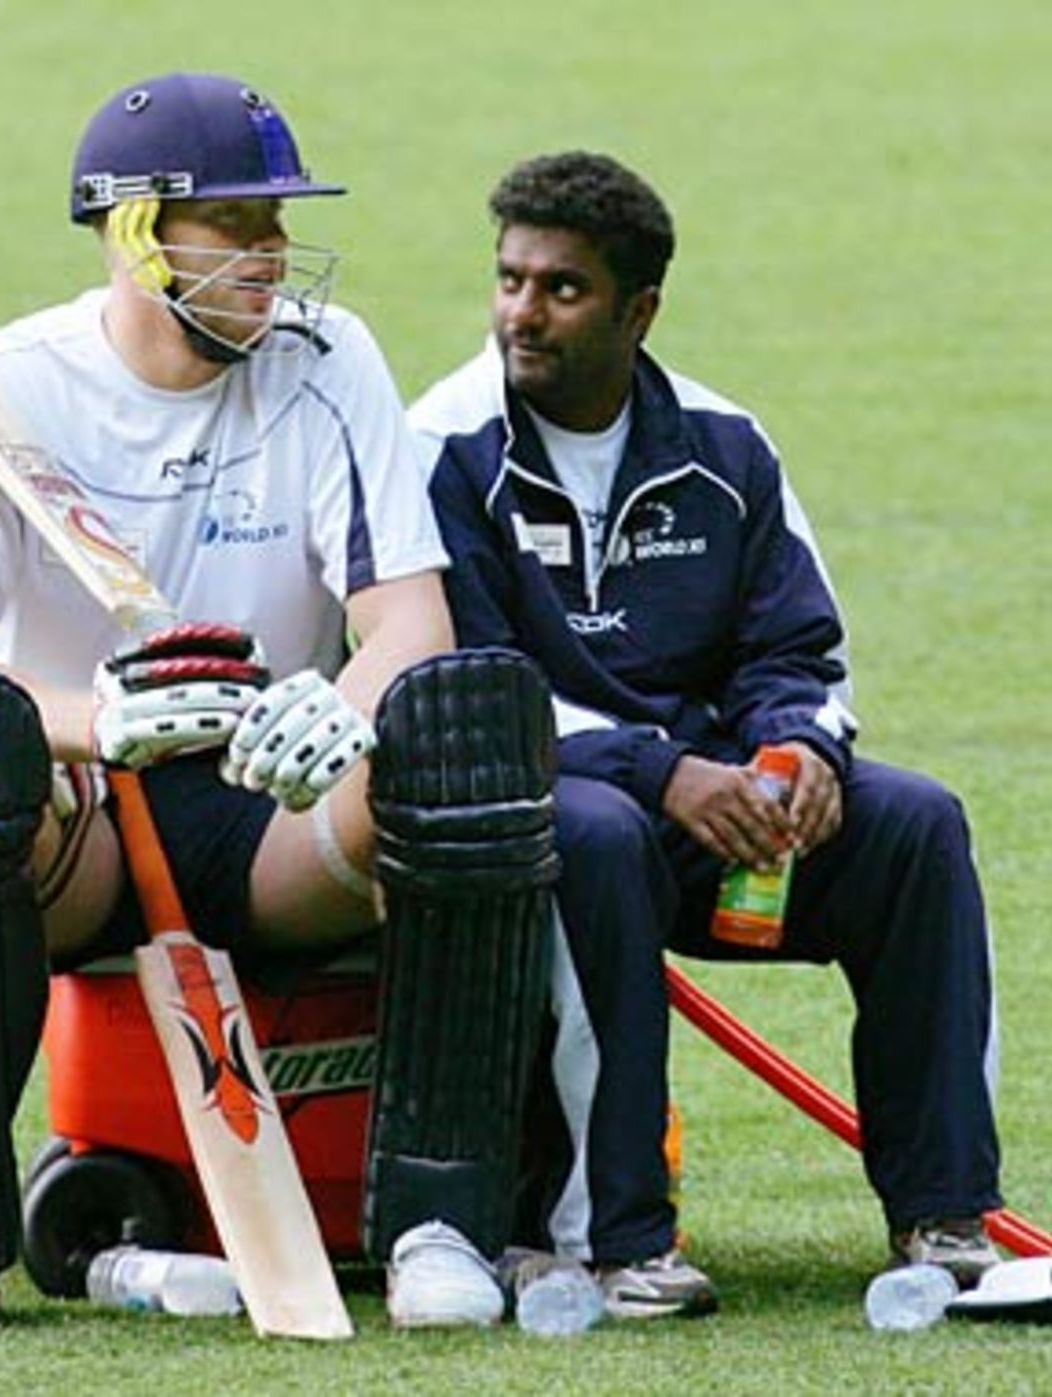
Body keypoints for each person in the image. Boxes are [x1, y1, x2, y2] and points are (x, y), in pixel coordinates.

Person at [0, 72, 556, 1334]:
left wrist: (338, 706)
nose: (273, 261)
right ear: (137, 234)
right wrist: (93, 721)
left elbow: (408, 620)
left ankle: (438, 1222)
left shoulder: (329, 363)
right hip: (70, 820)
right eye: (240, 227)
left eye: (279, 228)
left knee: (464, 715)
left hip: (265, 804)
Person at [410, 150, 1003, 1320]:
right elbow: (468, 686)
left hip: (715, 802)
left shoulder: (725, 447)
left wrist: (797, 755)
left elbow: (799, 651)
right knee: (594, 833)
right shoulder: (439, 445)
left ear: (638, 311)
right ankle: (608, 1235)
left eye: (560, 289)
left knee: (913, 822)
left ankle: (945, 1213)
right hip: (536, 810)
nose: (520, 313)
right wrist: (658, 768)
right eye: (508, 280)